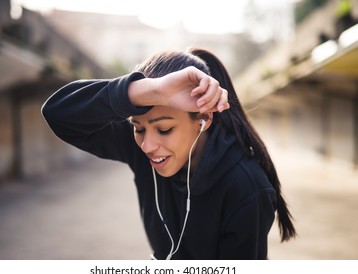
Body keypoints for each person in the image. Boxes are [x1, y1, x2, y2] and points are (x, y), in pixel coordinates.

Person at [42, 47, 296, 260]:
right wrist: (149, 91)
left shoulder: (245, 187)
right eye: (138, 128)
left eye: (164, 129)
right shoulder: (139, 147)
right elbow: (57, 114)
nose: (148, 146)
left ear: (203, 119)